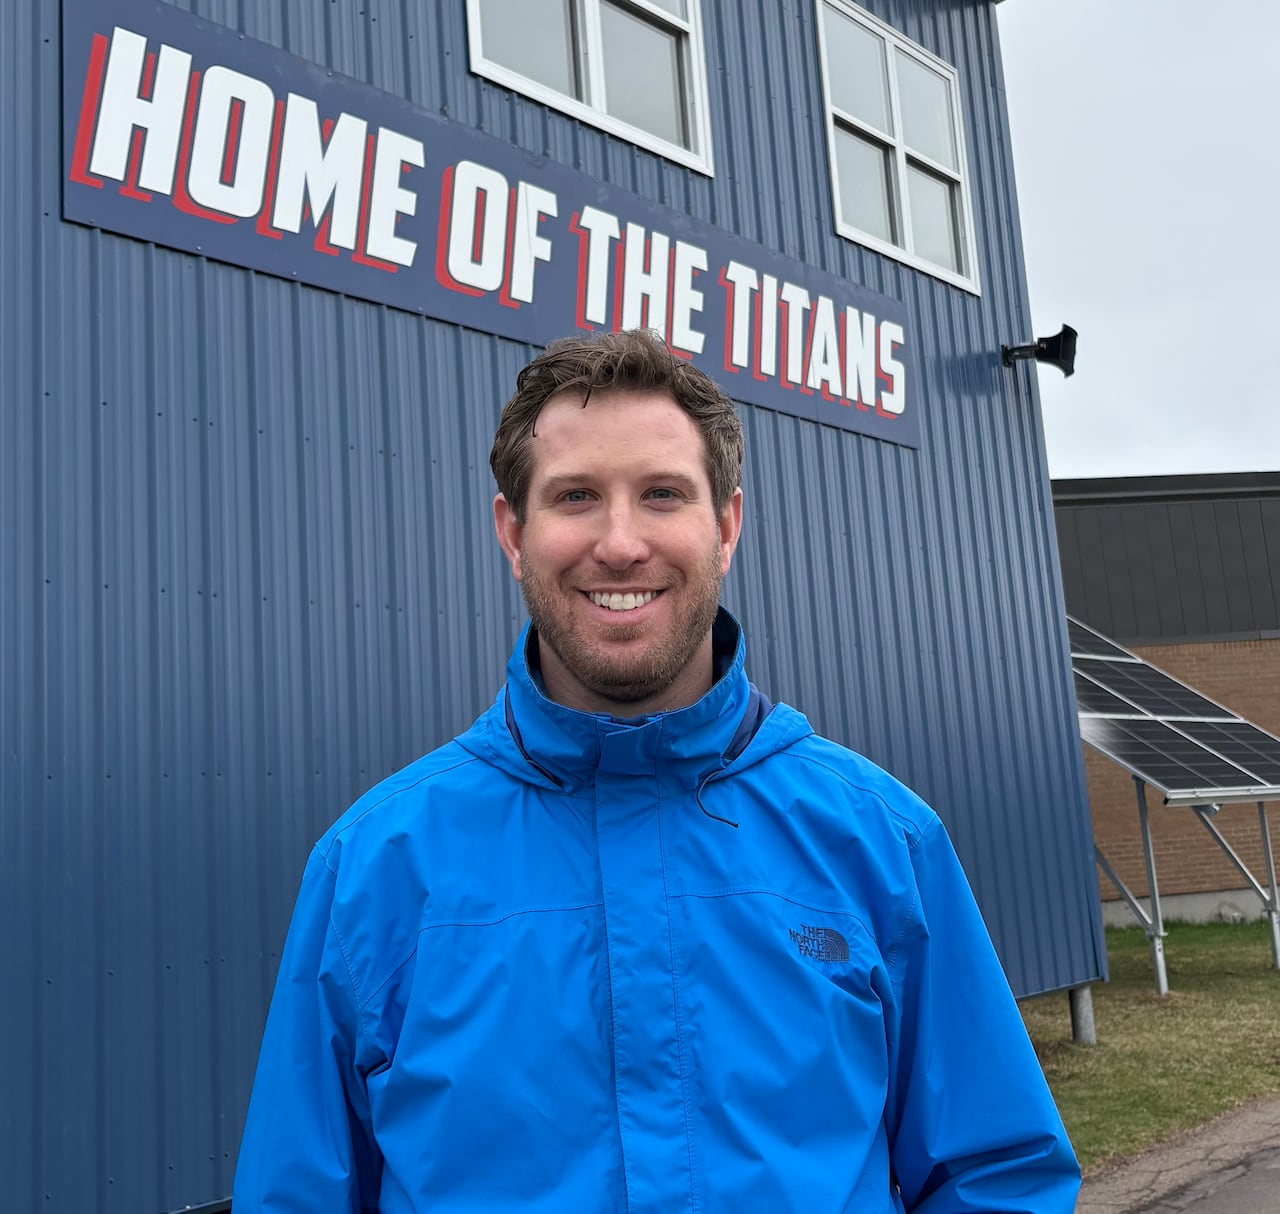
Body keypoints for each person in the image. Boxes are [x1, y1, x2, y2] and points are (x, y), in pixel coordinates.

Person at [233, 329, 1080, 1212]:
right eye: (576, 497)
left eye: (663, 494)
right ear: (513, 532)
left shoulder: (882, 842)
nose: (622, 543)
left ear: (726, 527)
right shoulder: (374, 867)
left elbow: (996, 1176)